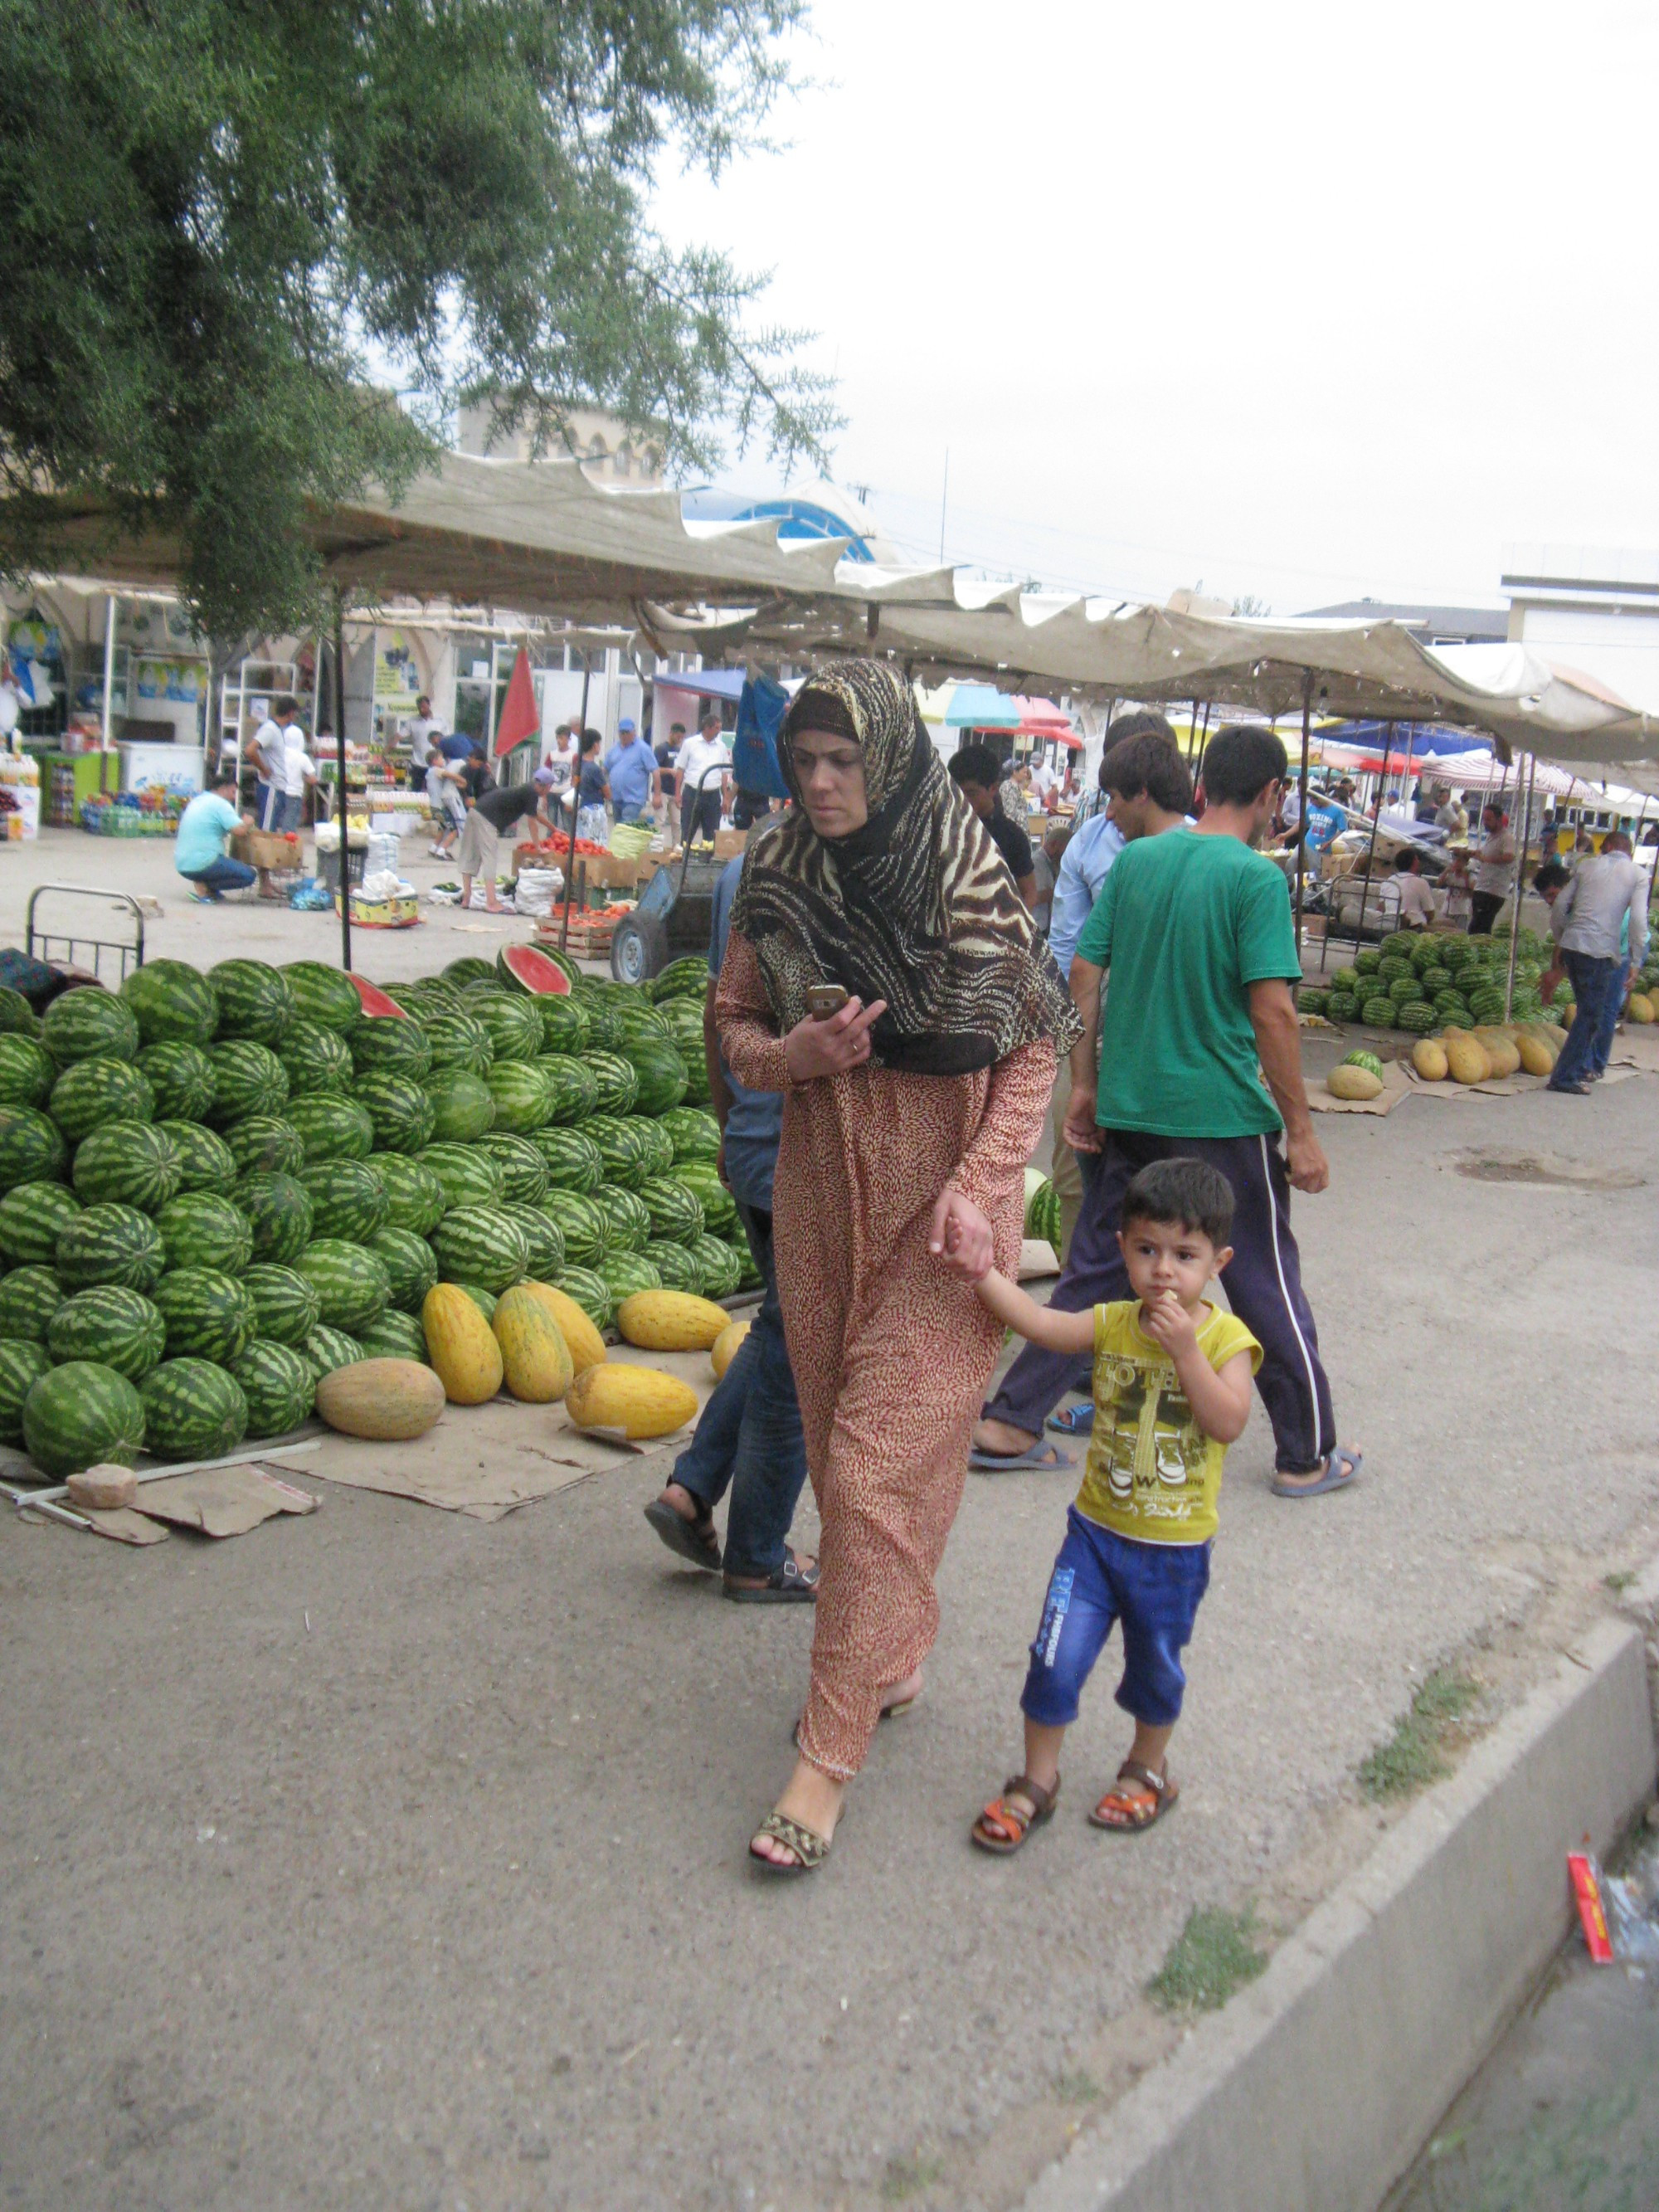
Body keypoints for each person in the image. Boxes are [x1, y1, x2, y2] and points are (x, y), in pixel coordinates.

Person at [715, 660, 1077, 1873]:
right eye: (804, 760)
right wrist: (797, 1051)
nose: (821, 783)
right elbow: (727, 1032)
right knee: (838, 1451)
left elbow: (1033, 1045)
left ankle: (824, 1762)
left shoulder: (966, 868)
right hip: (823, 1197)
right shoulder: (775, 872)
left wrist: (983, 1188)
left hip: (941, 1215)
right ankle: (894, 1644)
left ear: (890, 760)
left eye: (844, 761)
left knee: (873, 1472)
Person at [972, 723, 1356, 1502]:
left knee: (1102, 1265)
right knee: (1262, 1279)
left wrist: (1085, 1084)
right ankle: (1306, 1451)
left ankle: (1011, 1422)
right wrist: (1303, 1132)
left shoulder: (1136, 863)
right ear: (1274, 794)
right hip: (1217, 1118)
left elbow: (1083, 968)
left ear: (1206, 781)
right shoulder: (1254, 880)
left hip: (1131, 1105)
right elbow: (1274, 1013)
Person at [966, 1158, 1259, 1851]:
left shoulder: (1225, 1341)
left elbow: (1228, 1422)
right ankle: (1038, 1781)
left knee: (1156, 1663)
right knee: (1053, 1656)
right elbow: (1039, 1323)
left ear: (1216, 1262)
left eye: (1184, 1256)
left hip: (1173, 1552)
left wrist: (1186, 1352)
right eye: (1147, 1250)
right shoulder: (1112, 1323)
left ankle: (1148, 1770)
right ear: (1122, 1247)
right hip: (1094, 1537)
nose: (1164, 1271)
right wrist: (979, 1271)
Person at [644, 828, 815, 1600]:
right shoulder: (848, 874)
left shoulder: (743, 868)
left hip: (751, 1139)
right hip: (805, 1157)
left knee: (784, 1331)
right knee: (802, 1358)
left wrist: (727, 1123)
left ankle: (691, 1488)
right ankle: (756, 1554)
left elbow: (722, 1012)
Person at [1041, 714, 1188, 1269]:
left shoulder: (1202, 844)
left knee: (1163, 1192)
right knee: (1075, 1175)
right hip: (1089, 1033)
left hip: (1165, 1049)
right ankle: (1085, 1303)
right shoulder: (1089, 841)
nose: (1111, 806)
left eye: (1120, 786)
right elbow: (1068, 953)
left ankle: (1143, 1314)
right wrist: (1077, 1068)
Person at [1542, 831, 1649, 1095]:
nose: (1599, 849)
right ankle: (1564, 1076)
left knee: (1588, 1012)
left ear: (1609, 846)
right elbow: (1637, 920)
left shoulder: (1585, 865)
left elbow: (1559, 907)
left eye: (1603, 846)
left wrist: (1562, 937)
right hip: (1599, 951)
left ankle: (1574, 1069)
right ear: (1628, 849)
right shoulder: (1638, 874)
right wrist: (1635, 961)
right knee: (1591, 1015)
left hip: (1574, 947)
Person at [456, 767, 556, 914]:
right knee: (489, 856)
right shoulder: (531, 793)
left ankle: (467, 897)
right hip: (487, 818)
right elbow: (532, 823)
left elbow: (535, 815)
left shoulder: (528, 789)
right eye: (550, 787)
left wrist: (553, 828)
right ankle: (491, 903)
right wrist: (538, 847)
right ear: (546, 786)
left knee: (470, 853)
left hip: (476, 810)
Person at [950, 744, 1037, 904]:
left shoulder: (1012, 836)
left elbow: (1029, 892)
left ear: (993, 788)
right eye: (957, 792)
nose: (963, 800)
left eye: (971, 793)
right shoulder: (946, 828)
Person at [175, 772, 255, 902]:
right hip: (203, 861)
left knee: (227, 862)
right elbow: (240, 831)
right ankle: (205, 886)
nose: (234, 797)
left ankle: (207, 886)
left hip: (183, 863)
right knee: (249, 875)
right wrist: (248, 822)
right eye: (233, 792)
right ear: (223, 789)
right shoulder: (220, 804)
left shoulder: (198, 800)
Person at [676, 714, 731, 845]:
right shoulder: (690, 743)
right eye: (717, 728)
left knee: (711, 834)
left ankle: (707, 860)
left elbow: (724, 773)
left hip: (712, 794)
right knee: (688, 830)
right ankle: (684, 857)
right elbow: (680, 769)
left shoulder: (721, 747)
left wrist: (726, 798)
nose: (719, 731)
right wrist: (678, 793)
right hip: (693, 792)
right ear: (707, 728)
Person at [602, 716, 659, 826]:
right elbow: (605, 768)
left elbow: (655, 772)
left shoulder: (643, 748)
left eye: (627, 732)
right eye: (622, 733)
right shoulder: (614, 749)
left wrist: (656, 795)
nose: (624, 736)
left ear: (634, 732)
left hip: (634, 798)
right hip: (616, 797)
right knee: (618, 827)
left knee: (626, 826)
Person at [1467, 805, 1515, 933]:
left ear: (1499, 819)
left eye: (1488, 820)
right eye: (1484, 820)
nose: (1485, 823)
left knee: (1479, 927)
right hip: (1482, 887)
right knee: (1476, 926)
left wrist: (1486, 859)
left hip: (1493, 891)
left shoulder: (1506, 838)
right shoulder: (1489, 837)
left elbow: (1509, 857)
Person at [426, 730, 473, 859]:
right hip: (441, 805)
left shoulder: (430, 772)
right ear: (435, 761)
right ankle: (442, 851)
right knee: (455, 829)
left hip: (434, 806)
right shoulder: (436, 770)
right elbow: (449, 775)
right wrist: (462, 779)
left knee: (443, 828)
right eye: (441, 759)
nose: (443, 761)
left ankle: (434, 848)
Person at [1030, 821, 1069, 936]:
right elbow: (1035, 896)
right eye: (1065, 850)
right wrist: (1062, 890)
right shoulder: (1037, 862)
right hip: (1037, 924)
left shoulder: (1052, 863)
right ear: (1054, 845)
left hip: (1044, 924)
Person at [572, 728, 609, 843]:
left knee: (582, 843)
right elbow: (608, 793)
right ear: (595, 745)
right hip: (595, 810)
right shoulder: (595, 769)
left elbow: (574, 785)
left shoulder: (578, 766)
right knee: (596, 844)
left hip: (581, 808)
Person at [1391, 848, 1440, 930]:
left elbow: (1381, 907)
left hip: (1392, 922)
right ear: (1414, 862)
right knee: (1456, 931)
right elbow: (1430, 914)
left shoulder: (1389, 880)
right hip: (1415, 926)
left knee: (1448, 923)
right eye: (1417, 859)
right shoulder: (1421, 882)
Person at [406, 694, 442, 791]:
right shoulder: (412, 721)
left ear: (429, 705)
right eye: (419, 708)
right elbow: (400, 735)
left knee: (433, 789)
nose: (422, 710)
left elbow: (445, 739)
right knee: (416, 790)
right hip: (418, 762)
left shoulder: (439, 720)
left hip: (434, 763)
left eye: (424, 707)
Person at [655, 721, 686, 812]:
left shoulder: (679, 750)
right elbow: (654, 769)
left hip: (674, 790)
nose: (680, 740)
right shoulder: (661, 748)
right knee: (660, 819)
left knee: (677, 822)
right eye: (678, 737)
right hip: (662, 790)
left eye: (682, 738)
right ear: (671, 734)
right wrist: (669, 771)